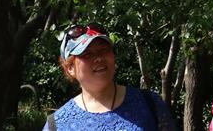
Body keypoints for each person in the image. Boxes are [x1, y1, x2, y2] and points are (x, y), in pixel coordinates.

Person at [44, 21, 176, 131]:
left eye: (103, 50)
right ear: (70, 68)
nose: (98, 58)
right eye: (87, 54)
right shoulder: (57, 124)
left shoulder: (149, 104)